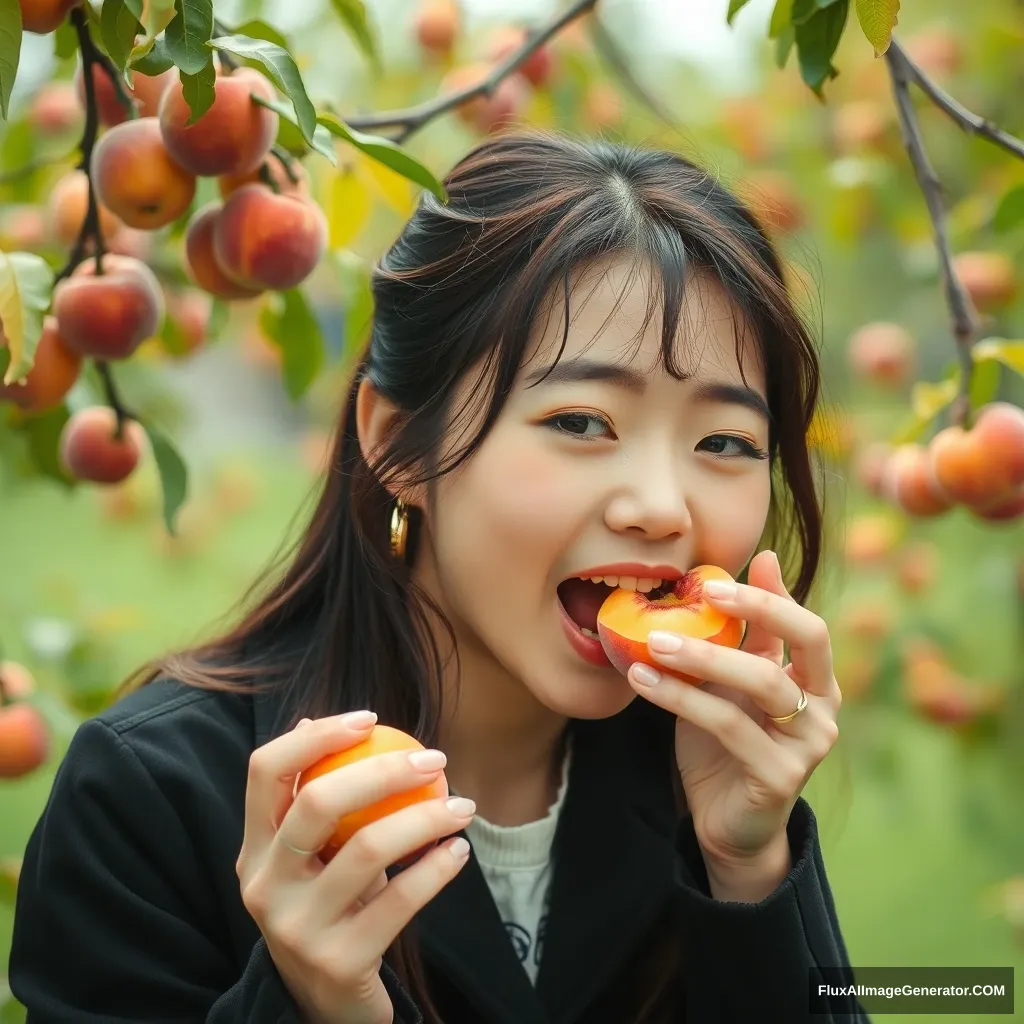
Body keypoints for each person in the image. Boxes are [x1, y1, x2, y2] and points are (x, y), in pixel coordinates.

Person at [9, 130, 869, 1024]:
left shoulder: (703, 777)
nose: (662, 507)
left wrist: (749, 875)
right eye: (581, 421)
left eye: (723, 442)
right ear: (395, 444)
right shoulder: (152, 801)